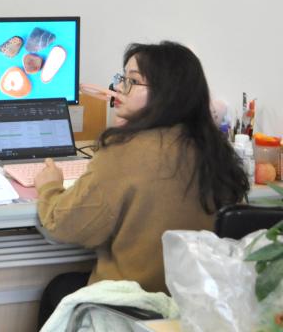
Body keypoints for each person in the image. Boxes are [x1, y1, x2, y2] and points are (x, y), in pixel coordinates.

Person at [34, 41, 249, 327]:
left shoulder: (125, 151)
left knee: (58, 289)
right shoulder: (217, 152)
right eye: (122, 79)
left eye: (132, 82)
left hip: (133, 310)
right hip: (196, 310)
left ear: (167, 93)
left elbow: (63, 226)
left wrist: (50, 187)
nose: (119, 89)